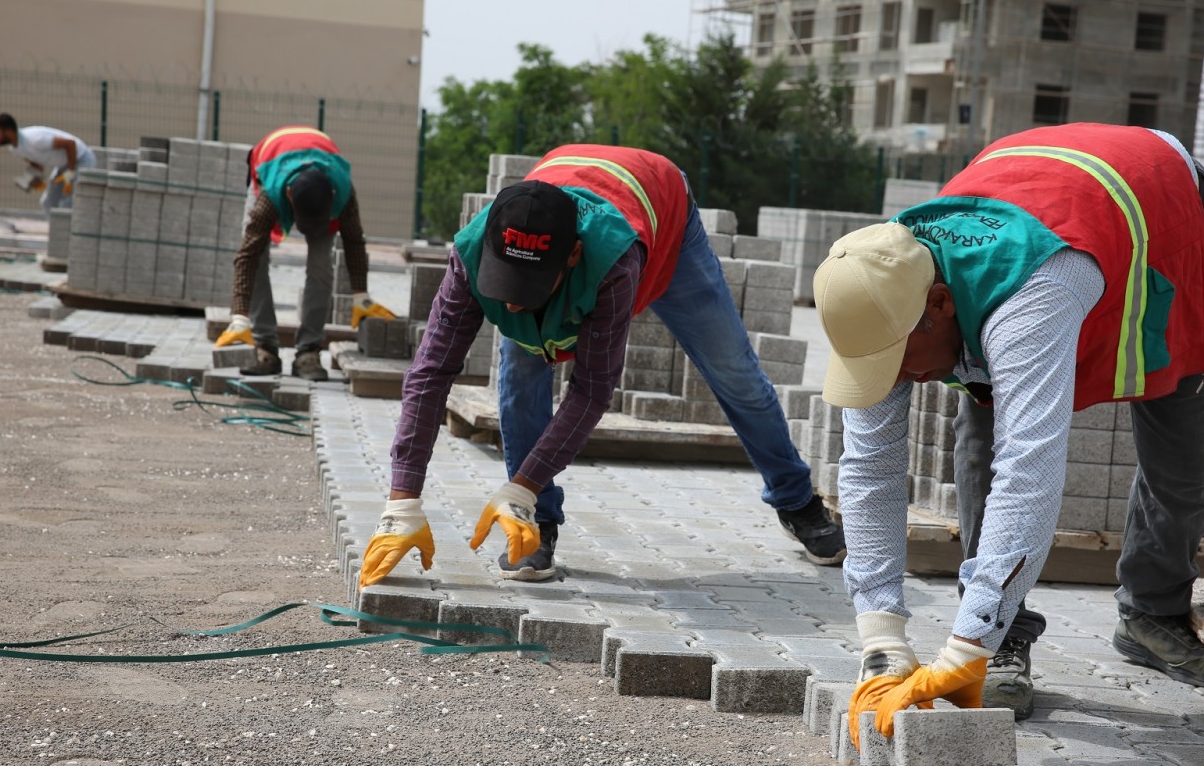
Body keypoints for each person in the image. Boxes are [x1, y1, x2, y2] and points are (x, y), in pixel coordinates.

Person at [813, 123, 1204, 746]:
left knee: (1180, 429)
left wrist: (965, 646)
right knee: (980, 431)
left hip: (1163, 206)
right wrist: (881, 640)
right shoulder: (879, 283)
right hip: (1034, 191)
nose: (900, 376)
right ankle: (1005, 634)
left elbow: (1030, 469)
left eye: (899, 357)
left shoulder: (1031, 293)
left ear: (937, 304)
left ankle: (1152, 611)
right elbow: (869, 467)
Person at [357, 143, 845, 586]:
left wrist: (519, 485)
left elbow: (591, 389)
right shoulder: (470, 253)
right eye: (503, 285)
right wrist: (402, 501)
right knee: (521, 373)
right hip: (572, 183)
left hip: (662, 211)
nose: (513, 306)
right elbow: (430, 371)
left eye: (526, 290)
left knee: (731, 369)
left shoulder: (613, 261)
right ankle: (536, 522)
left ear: (571, 257)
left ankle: (796, 501)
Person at [214, 125, 394, 380]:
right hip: (271, 159)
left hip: (319, 163)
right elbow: (246, 255)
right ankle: (265, 347)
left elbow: (354, 240)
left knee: (321, 265)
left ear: (332, 198)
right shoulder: (271, 195)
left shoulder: (342, 191)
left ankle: (308, 352)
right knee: (258, 255)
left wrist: (361, 295)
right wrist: (239, 315)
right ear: (288, 197)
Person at [0, 113, 96, 211]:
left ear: (8, 131)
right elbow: (37, 164)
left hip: (82, 159)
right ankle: (56, 230)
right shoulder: (15, 149)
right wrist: (34, 179)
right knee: (48, 203)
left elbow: (70, 144)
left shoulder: (35, 139)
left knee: (67, 203)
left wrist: (71, 172)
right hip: (65, 164)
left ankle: (67, 231)